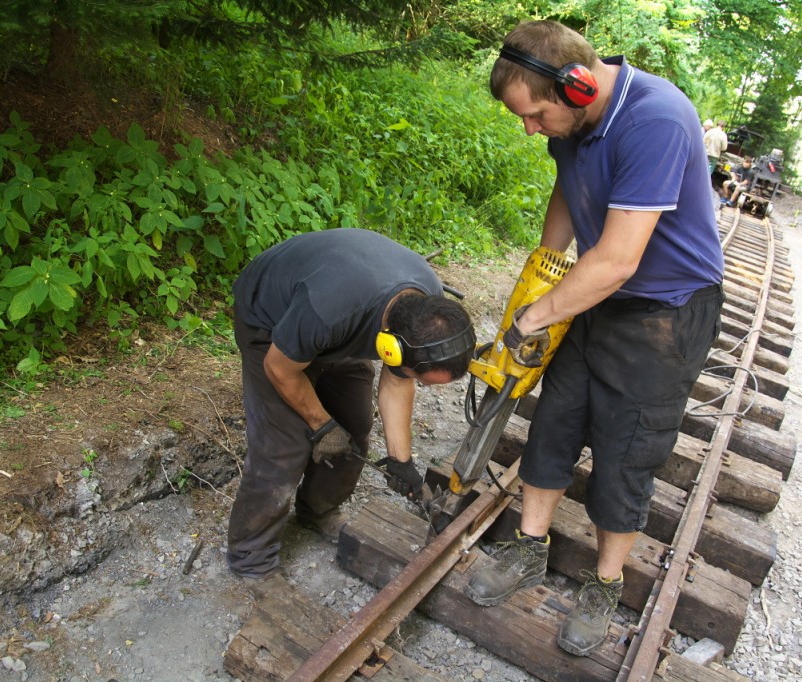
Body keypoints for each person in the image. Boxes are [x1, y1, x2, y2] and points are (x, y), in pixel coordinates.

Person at [463, 20, 725, 657]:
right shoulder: (573, 122)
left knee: (626, 448)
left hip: (665, 310)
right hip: (594, 296)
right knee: (555, 419)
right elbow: (568, 188)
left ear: (577, 87)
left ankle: (606, 583)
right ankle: (529, 547)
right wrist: (543, 271)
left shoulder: (655, 119)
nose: (529, 129)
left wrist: (534, 317)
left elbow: (617, 261)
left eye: (533, 115)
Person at [227, 228, 476, 579]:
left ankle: (318, 511)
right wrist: (320, 424)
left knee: (355, 426)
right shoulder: (329, 309)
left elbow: (398, 381)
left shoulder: (426, 307)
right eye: (422, 378)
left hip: (338, 328)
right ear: (393, 349)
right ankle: (250, 560)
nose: (421, 384)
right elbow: (279, 369)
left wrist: (400, 461)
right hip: (272, 328)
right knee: (281, 447)